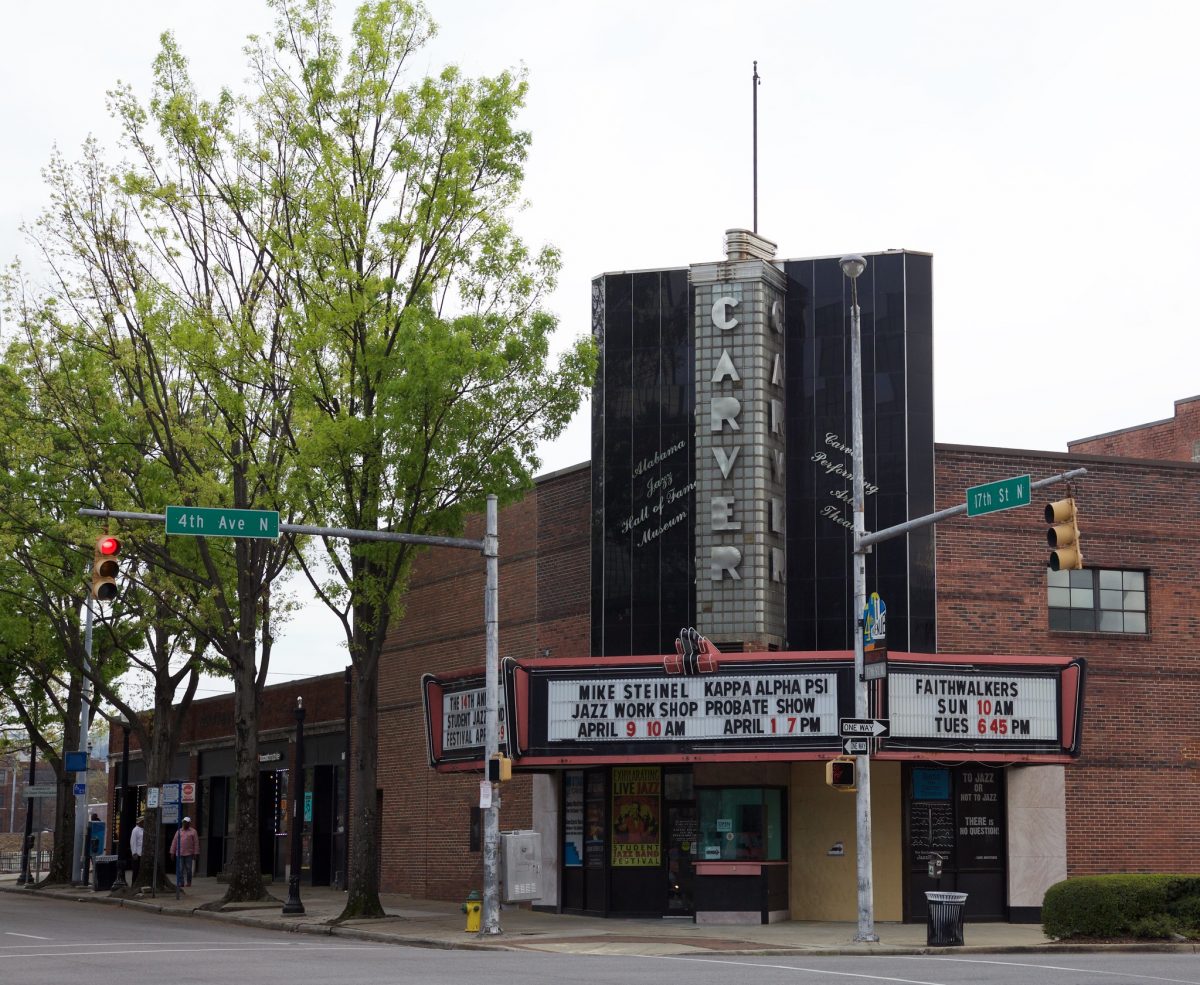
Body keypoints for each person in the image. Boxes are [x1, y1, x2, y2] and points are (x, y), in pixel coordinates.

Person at [169, 816, 200, 888]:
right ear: (183, 823)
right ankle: (181, 882)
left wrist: (196, 853)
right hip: (179, 853)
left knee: (189, 869)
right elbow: (174, 842)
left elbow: (196, 843)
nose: (185, 824)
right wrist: (172, 852)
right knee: (180, 869)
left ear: (189, 823)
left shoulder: (193, 832)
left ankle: (189, 882)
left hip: (189, 853)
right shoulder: (179, 831)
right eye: (184, 822)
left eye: (187, 823)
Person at [129, 816, 144, 883]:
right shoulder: (135, 830)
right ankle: (134, 883)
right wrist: (134, 853)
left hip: (142, 853)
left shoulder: (143, 829)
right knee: (136, 870)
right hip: (137, 853)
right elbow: (133, 842)